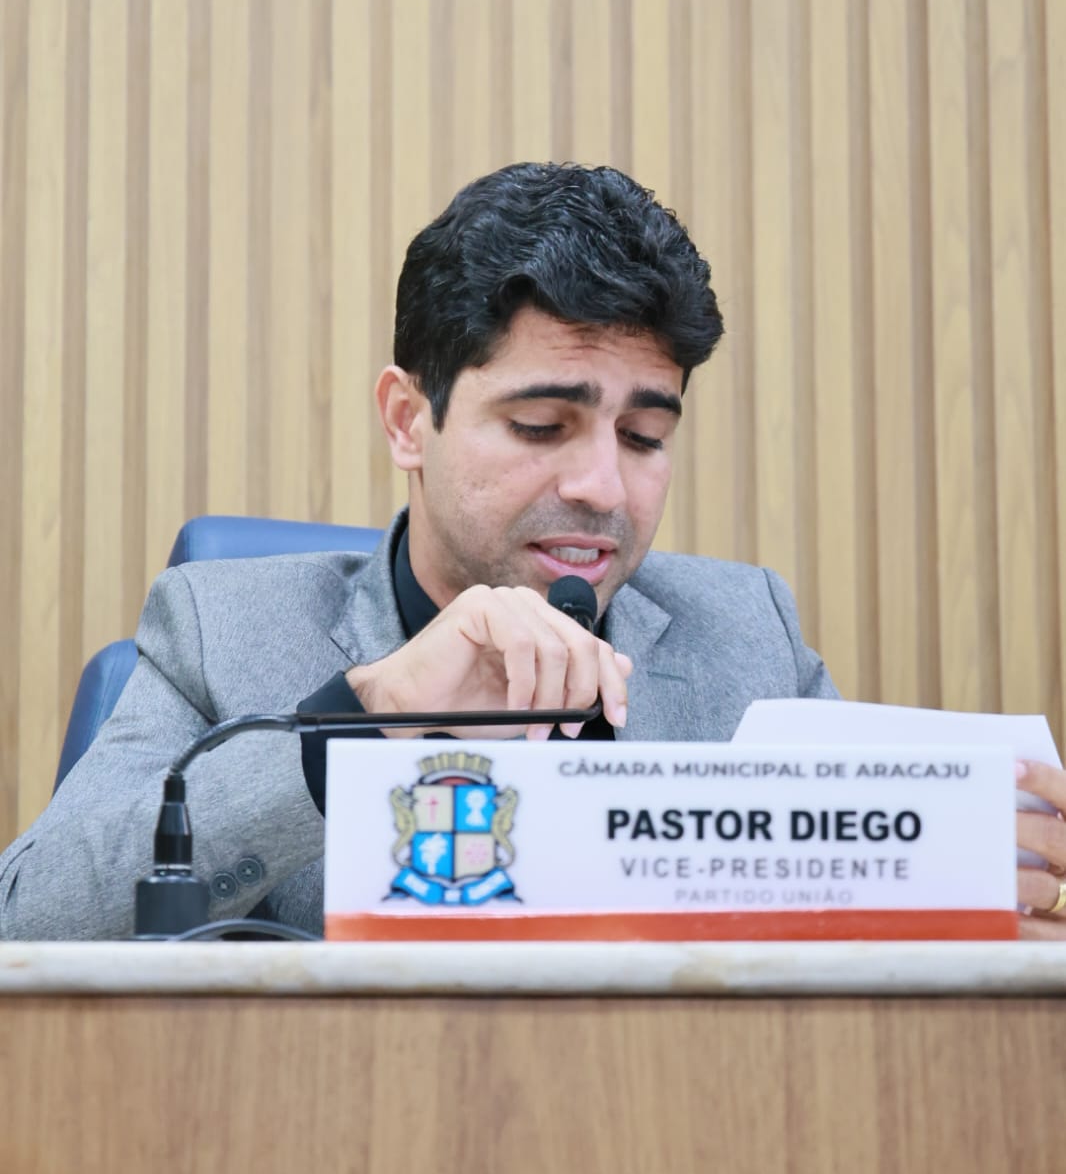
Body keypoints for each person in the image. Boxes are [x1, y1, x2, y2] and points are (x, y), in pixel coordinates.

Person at [0, 163, 1062, 939]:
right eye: (543, 425)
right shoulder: (223, 632)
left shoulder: (748, 640)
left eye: (644, 437)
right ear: (409, 420)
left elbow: (869, 919)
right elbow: (30, 921)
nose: (603, 486)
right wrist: (358, 722)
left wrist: (989, 880)